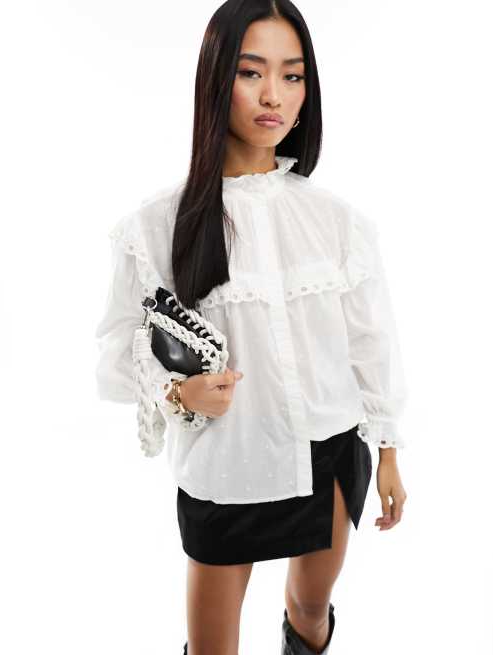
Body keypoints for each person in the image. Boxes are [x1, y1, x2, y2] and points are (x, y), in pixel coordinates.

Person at [94, 1, 409, 653]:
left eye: (292, 76)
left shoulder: (337, 222)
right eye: (251, 72)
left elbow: (370, 342)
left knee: (310, 608)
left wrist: (387, 451)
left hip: (326, 450)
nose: (274, 95)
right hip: (225, 464)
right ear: (216, 79)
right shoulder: (155, 227)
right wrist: (177, 393)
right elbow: (118, 350)